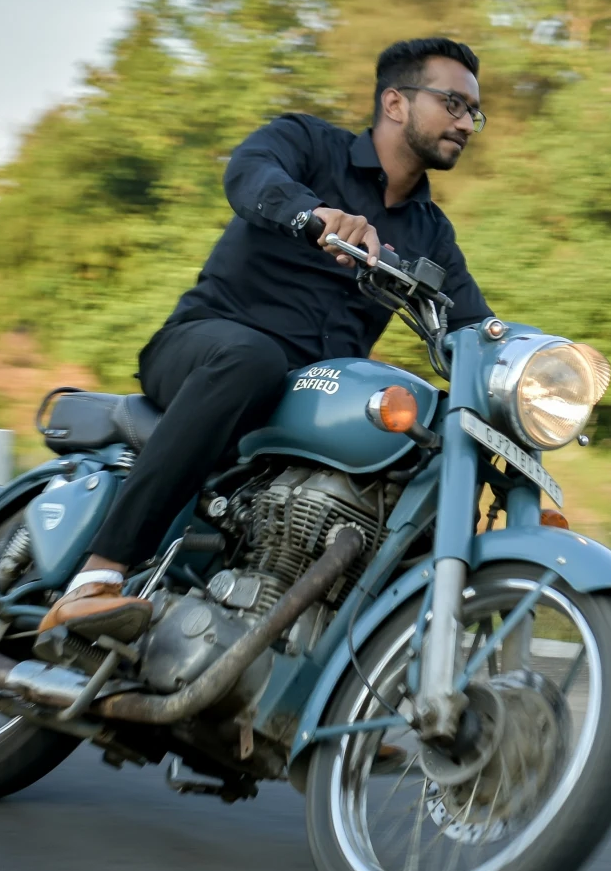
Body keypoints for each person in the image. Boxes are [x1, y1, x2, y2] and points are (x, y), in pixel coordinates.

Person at [39, 36, 493, 640]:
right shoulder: (309, 144)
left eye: (473, 112)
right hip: (206, 346)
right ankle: (97, 577)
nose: (466, 123)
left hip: (306, 395)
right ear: (395, 103)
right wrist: (313, 217)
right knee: (254, 358)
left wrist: (538, 364)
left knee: (421, 448)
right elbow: (248, 173)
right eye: (453, 104)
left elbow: (473, 323)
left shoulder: (432, 234)